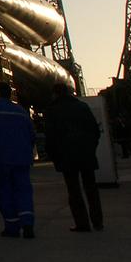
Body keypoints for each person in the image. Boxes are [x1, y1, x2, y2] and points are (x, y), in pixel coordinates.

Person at [0, 80, 37, 239]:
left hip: (0, 158)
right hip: (22, 159)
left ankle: (12, 226)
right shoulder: (21, 111)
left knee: (5, 191)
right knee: (24, 191)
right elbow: (32, 135)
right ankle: (28, 224)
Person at [44, 83, 104, 232]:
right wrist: (90, 149)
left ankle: (82, 223)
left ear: (55, 94)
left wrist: (54, 156)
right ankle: (98, 222)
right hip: (85, 154)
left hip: (67, 156)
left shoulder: (53, 110)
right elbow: (95, 131)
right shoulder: (82, 107)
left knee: (74, 191)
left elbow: (50, 136)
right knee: (91, 189)